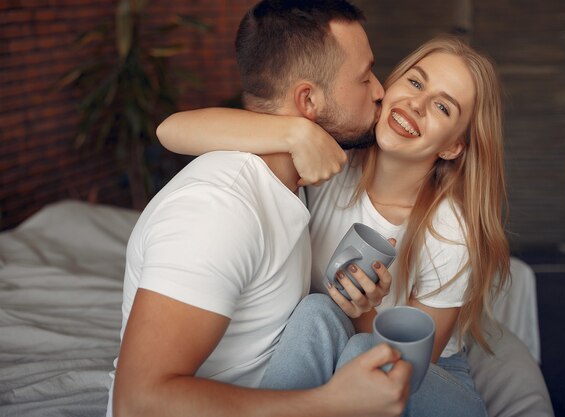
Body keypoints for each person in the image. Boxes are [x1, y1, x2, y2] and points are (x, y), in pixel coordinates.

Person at [157, 35, 511, 416]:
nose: (416, 104)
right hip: (340, 367)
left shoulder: (449, 232)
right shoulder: (329, 160)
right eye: (415, 82)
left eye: (442, 107)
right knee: (315, 310)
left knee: (363, 349)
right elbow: (172, 131)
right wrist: (296, 133)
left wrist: (362, 309)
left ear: (452, 147)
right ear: (389, 84)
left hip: (429, 384)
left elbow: (411, 369)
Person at [106, 1, 413, 416]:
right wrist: (333, 402)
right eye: (364, 77)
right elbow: (138, 403)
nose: (380, 90)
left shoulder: (295, 176)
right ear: (308, 100)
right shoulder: (218, 210)